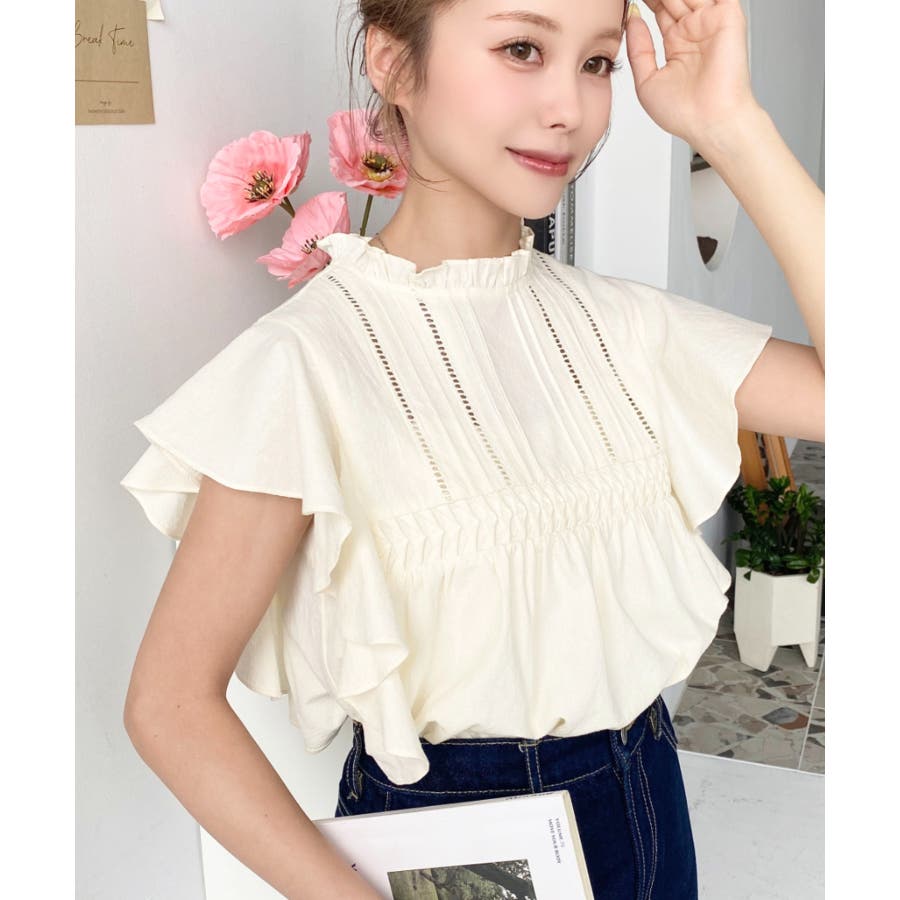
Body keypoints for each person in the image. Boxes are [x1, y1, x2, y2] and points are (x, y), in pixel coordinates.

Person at [120, 0, 825, 897]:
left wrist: (732, 126)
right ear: (393, 62)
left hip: (648, 790)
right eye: (522, 48)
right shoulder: (306, 364)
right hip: (456, 836)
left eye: (597, 64)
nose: (568, 107)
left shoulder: (624, 324)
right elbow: (170, 704)